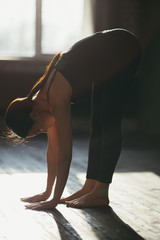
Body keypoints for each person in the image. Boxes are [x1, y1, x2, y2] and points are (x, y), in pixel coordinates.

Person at [5, 29, 142, 210]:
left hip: (122, 47)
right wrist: (47, 192)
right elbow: (53, 148)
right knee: (98, 123)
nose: (43, 132)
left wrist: (54, 201)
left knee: (108, 122)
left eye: (37, 130)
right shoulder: (41, 103)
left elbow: (65, 155)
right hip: (104, 60)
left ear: (33, 115)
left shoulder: (55, 96)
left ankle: (100, 192)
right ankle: (89, 187)